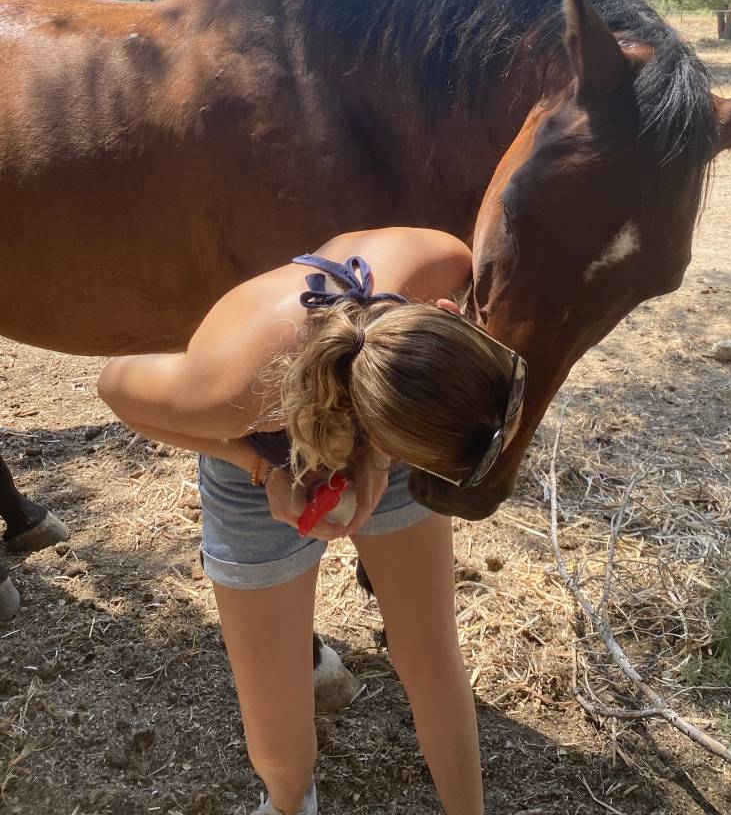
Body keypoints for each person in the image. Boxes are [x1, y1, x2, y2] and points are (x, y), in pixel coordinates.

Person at [97, 227, 527, 815]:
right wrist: (260, 468)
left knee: (431, 651)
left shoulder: (444, 262)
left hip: (395, 403)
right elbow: (115, 386)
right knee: (278, 738)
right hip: (261, 442)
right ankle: (289, 801)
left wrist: (377, 459)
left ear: (447, 312)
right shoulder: (238, 391)